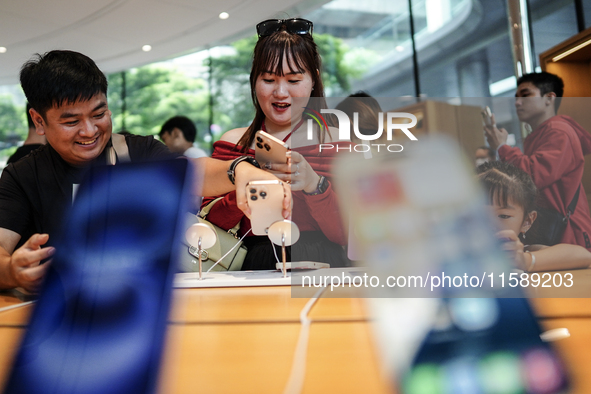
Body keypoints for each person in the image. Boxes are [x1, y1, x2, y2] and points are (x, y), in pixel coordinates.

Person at [0, 50, 290, 292]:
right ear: (38, 121)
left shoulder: (136, 152)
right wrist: (13, 272)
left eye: (99, 114)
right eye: (71, 121)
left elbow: (191, 173)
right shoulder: (21, 176)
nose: (89, 131)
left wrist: (237, 169)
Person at [204, 18, 350, 270]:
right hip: (253, 262)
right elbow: (211, 227)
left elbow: (350, 233)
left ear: (313, 80)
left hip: (326, 262)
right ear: (254, 80)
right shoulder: (233, 143)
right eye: (269, 80)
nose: (281, 92)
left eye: (294, 81)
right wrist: (248, 180)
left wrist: (315, 185)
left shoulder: (339, 143)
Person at [484, 71, 591, 250]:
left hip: (567, 235)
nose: (517, 102)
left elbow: (532, 177)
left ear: (549, 98)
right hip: (553, 232)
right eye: (516, 97)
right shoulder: (541, 135)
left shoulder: (559, 131)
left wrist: (502, 147)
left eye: (525, 95)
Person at [477, 161, 591, 272]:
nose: (489, 224)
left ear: (527, 221)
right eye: (478, 214)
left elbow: (583, 255)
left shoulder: (519, 252)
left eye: (503, 216)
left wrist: (524, 260)